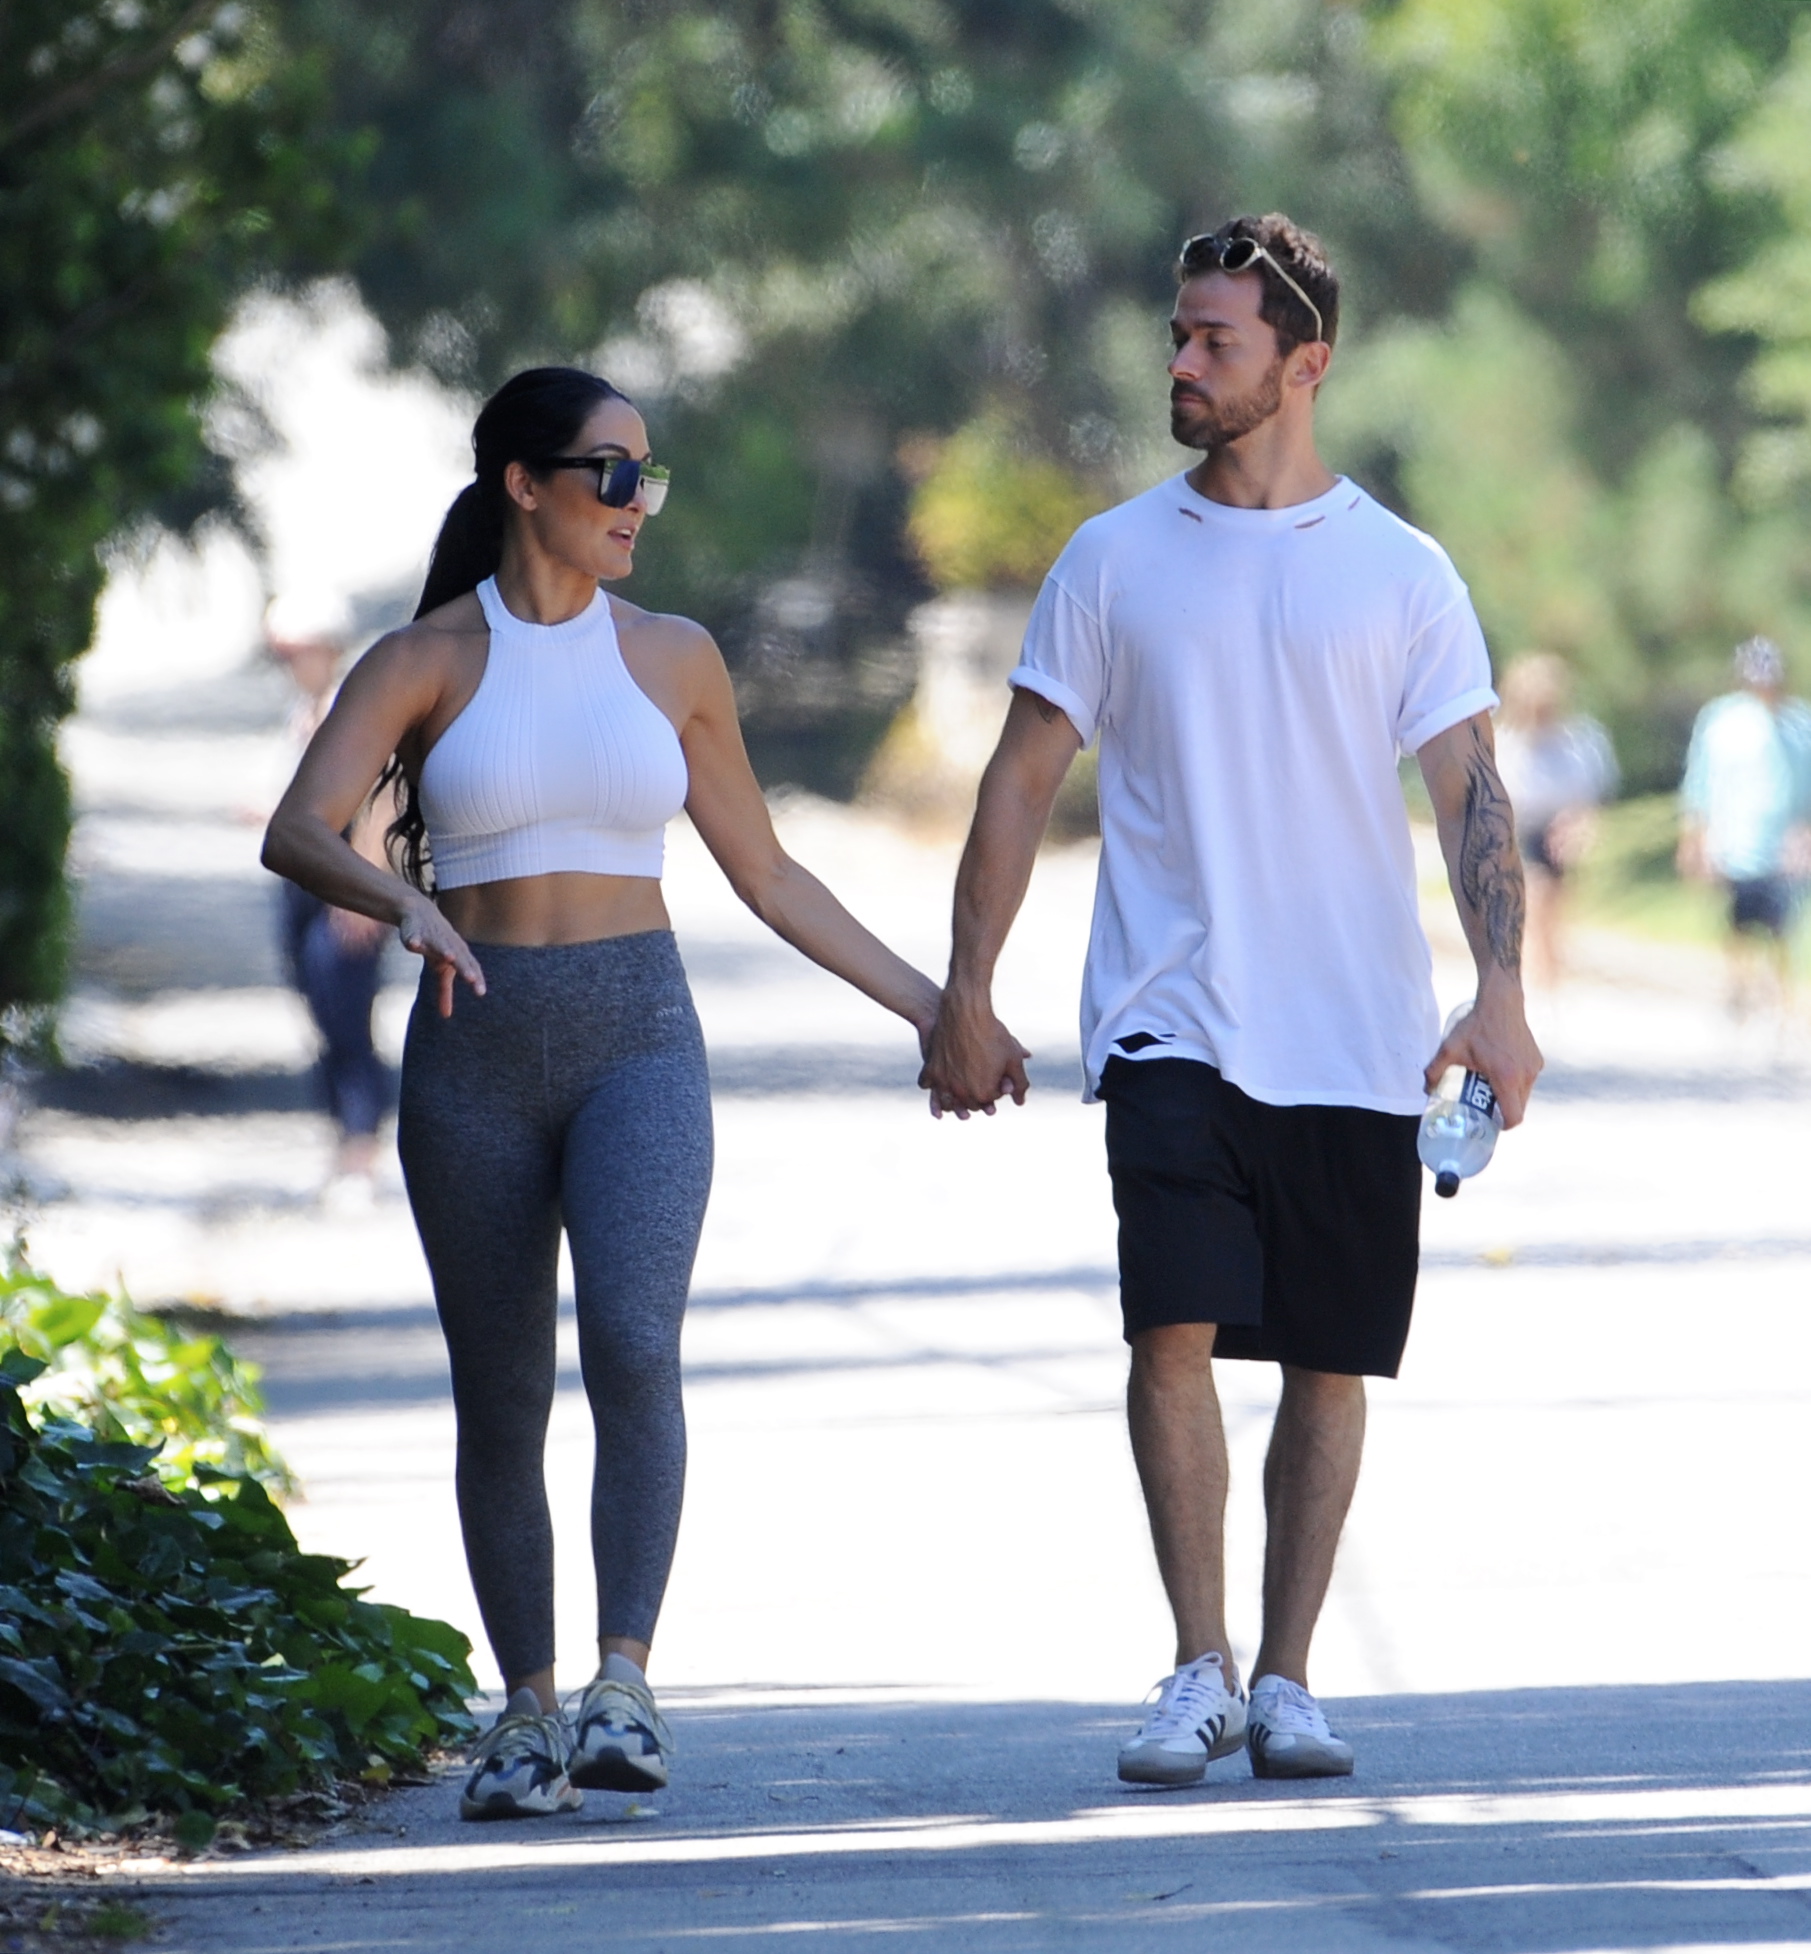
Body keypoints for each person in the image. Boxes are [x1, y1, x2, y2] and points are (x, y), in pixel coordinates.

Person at [262, 367, 941, 1821]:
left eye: (650, 476)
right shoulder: (424, 656)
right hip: (475, 1052)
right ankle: (522, 1710)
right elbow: (296, 829)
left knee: (634, 1341)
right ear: (525, 482)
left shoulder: (676, 656)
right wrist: (407, 903)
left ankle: (621, 1682)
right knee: (501, 1393)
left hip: (640, 1034)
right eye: (612, 474)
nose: (639, 504)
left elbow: (765, 873)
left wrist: (935, 1008)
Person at [921, 214, 1542, 1785]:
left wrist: (1499, 993)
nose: (1181, 363)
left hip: (1351, 1026)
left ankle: (1286, 1676)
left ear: (1302, 363)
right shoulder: (1111, 558)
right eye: (1178, 336)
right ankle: (1193, 1664)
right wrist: (967, 991)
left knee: (1327, 1356)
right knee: (1170, 1321)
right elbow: (1015, 784)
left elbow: (1472, 793)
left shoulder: (1399, 572)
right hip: (1165, 1015)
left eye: (1215, 341)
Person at [264, 592, 392, 1205]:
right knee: (319, 1011)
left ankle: (360, 1150)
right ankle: (343, 1143)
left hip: (341, 887)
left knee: (348, 1017)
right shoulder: (304, 709)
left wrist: (364, 889)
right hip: (301, 884)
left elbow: (382, 797)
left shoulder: (353, 705)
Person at [1677, 636, 1811, 1021]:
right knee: (1739, 919)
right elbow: (1699, 783)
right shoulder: (1720, 720)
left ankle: (1784, 1002)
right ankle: (1739, 990)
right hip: (1734, 840)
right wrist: (1695, 838)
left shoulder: (1799, 724)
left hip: (1785, 844)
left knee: (1784, 921)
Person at [1493, 652, 1617, 991]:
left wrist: (1581, 824)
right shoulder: (1506, 741)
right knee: (1536, 899)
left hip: (1562, 829)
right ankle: (1537, 980)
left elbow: (1594, 792)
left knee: (1555, 908)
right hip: (1522, 829)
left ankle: (1550, 977)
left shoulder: (1579, 741)